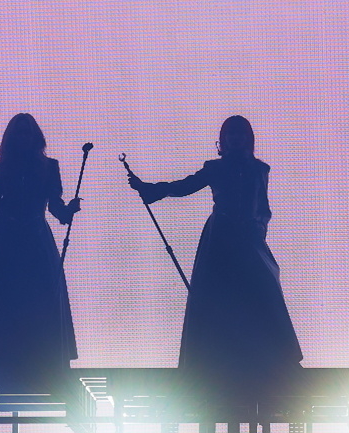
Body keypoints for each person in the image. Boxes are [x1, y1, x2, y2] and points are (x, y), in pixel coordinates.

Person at [127, 115, 302, 412]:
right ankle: (217, 358)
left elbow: (263, 208)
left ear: (248, 138)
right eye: (230, 134)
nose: (235, 138)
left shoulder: (260, 170)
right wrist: (152, 189)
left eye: (240, 133)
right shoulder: (215, 168)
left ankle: (274, 355)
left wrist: (258, 229)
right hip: (221, 237)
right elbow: (185, 186)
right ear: (223, 140)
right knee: (222, 296)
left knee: (263, 290)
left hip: (247, 237)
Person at [0, 113, 80, 386]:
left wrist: (68, 210)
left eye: (27, 132)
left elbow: (56, 208)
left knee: (34, 299)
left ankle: (40, 360)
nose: (23, 137)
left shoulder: (49, 167)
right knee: (14, 299)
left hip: (35, 241)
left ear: (35, 137)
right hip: (9, 242)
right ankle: (9, 361)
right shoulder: (1, 169)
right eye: (19, 133)